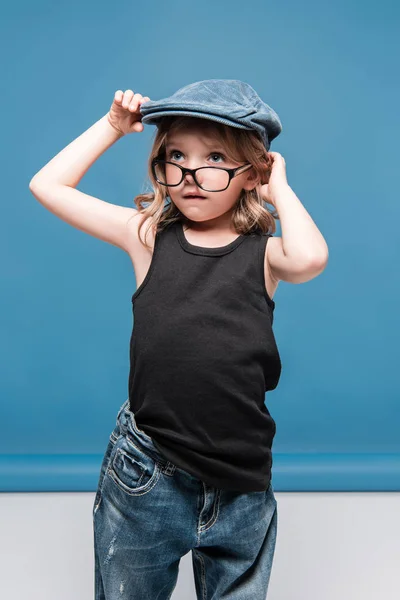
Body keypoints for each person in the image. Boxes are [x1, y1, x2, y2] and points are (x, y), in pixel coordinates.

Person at [29, 79, 329, 599]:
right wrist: (111, 128)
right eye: (175, 156)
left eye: (214, 157)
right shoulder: (146, 236)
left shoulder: (265, 255)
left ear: (251, 172)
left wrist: (279, 186)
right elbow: (48, 186)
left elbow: (309, 259)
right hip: (149, 471)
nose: (190, 173)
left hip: (240, 478)